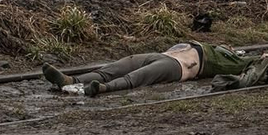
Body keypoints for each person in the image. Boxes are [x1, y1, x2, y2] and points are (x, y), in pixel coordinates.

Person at [42, 41, 252, 97]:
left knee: (136, 78)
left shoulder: (226, 60)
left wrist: (265, 57)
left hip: (176, 67)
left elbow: (251, 63)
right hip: (161, 55)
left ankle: (102, 88)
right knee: (114, 67)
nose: (230, 48)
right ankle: (71, 80)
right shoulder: (207, 45)